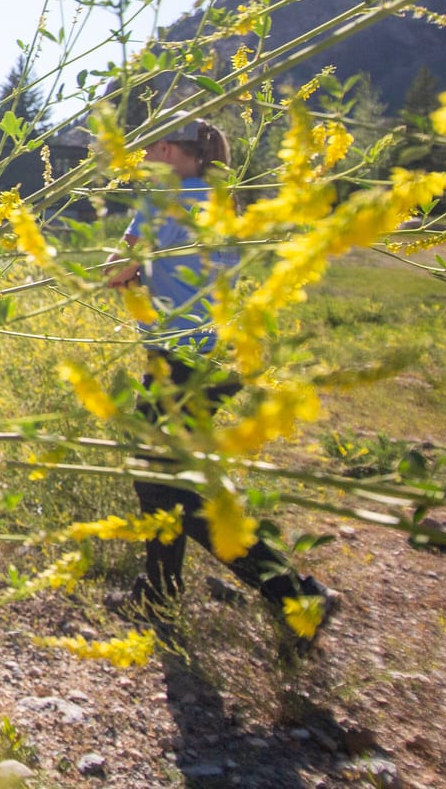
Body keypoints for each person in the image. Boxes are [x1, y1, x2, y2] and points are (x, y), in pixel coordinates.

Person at [105, 119, 339, 642]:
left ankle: (298, 598)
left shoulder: (160, 202)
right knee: (159, 479)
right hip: (217, 357)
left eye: (146, 148)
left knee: (177, 493)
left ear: (166, 148)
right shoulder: (221, 201)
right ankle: (159, 596)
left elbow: (115, 270)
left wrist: (126, 274)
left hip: (179, 361)